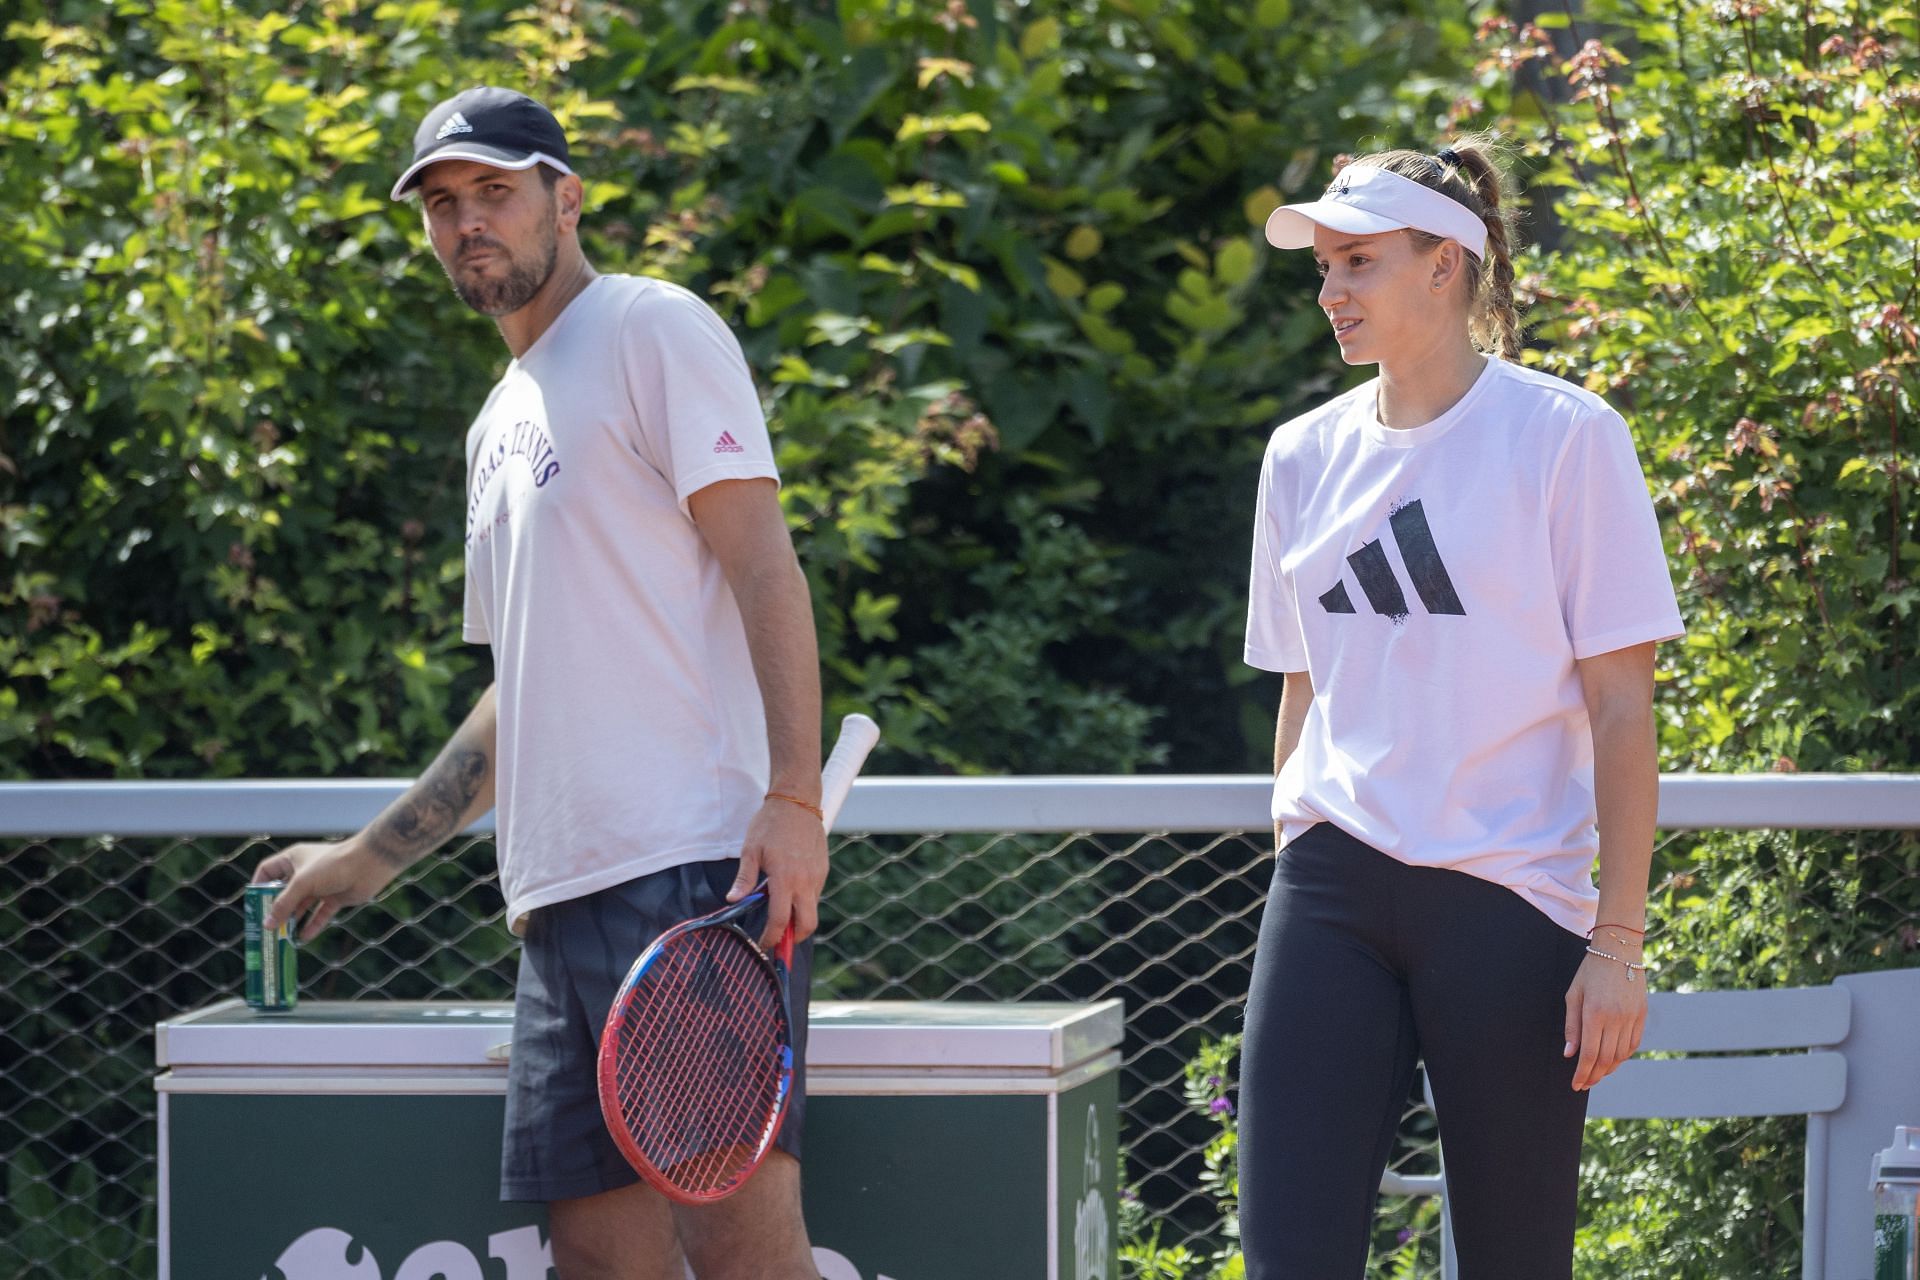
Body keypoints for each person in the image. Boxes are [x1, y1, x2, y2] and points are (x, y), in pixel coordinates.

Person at [252, 86, 828, 1280]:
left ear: (566, 198)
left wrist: (794, 795)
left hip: (689, 876)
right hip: (555, 896)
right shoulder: (498, 417)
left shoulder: (649, 328)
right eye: (444, 205)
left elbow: (767, 569)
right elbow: (528, 682)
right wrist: (372, 853)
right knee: (597, 1261)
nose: (469, 223)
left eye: (496, 194)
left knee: (742, 1254)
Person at [1237, 136, 1684, 1278]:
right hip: (1331, 883)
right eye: (1324, 268)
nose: (1331, 291)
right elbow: (1303, 681)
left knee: (1515, 1258)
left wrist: (1619, 942)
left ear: (1448, 265)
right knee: (1288, 1253)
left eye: (1359, 263)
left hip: (1512, 900)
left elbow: (1623, 707)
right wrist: (1295, 838)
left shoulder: (1567, 436)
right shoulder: (1299, 455)